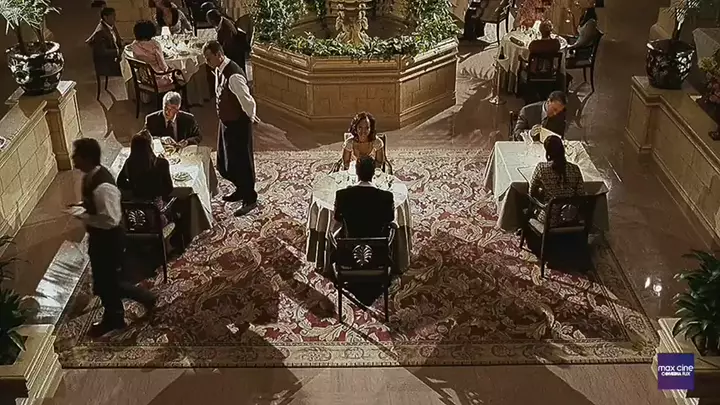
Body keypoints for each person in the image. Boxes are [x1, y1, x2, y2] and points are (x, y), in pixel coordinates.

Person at [69, 138, 157, 337]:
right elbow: (98, 207)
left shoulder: (103, 187)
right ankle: (115, 316)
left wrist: (84, 216)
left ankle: (139, 302)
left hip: (109, 241)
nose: (73, 157)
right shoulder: (91, 177)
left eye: (77, 154)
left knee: (111, 283)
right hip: (99, 239)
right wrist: (83, 207)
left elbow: (111, 219)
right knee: (103, 282)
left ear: (87, 158)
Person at [203, 40, 259, 216]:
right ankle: (240, 189)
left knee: (242, 162)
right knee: (228, 160)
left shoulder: (233, 75)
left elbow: (247, 100)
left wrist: (250, 117)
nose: (207, 62)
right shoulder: (219, 69)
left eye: (209, 58)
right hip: (227, 122)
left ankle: (250, 198)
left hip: (238, 124)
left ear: (219, 55)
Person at [334, 156, 395, 238]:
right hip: (378, 242)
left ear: (356, 171)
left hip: (350, 240)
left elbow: (337, 217)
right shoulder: (387, 196)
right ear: (374, 172)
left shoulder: (342, 194)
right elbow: (390, 218)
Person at [529, 135, 584, 225]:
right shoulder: (575, 169)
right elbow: (581, 195)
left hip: (549, 218)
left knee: (526, 208)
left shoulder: (541, 168)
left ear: (547, 151)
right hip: (570, 218)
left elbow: (531, 192)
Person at [117, 131, 173, 209]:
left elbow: (120, 182)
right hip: (155, 208)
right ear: (150, 145)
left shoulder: (129, 163)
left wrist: (134, 187)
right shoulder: (162, 163)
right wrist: (156, 192)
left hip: (137, 207)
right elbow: (169, 188)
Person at [130, 20, 175, 87]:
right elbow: (162, 65)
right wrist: (169, 69)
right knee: (178, 74)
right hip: (156, 78)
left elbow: (136, 60)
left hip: (143, 78)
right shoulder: (155, 44)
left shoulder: (134, 44)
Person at [86, 7, 123, 77]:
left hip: (115, 59)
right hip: (107, 65)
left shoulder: (111, 26)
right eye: (113, 16)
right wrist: (118, 52)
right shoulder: (100, 32)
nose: (115, 18)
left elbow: (117, 41)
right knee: (131, 69)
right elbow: (102, 52)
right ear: (105, 17)